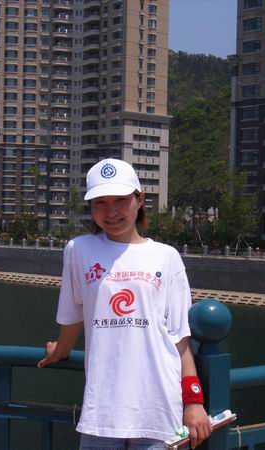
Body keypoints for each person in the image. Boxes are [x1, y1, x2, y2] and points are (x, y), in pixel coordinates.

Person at [38, 158, 213, 449]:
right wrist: (60, 350)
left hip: (159, 409)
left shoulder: (167, 256)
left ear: (139, 200)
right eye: (100, 203)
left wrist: (193, 401)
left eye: (121, 200)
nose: (111, 212)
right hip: (102, 412)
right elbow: (73, 314)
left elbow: (179, 339)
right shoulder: (79, 250)